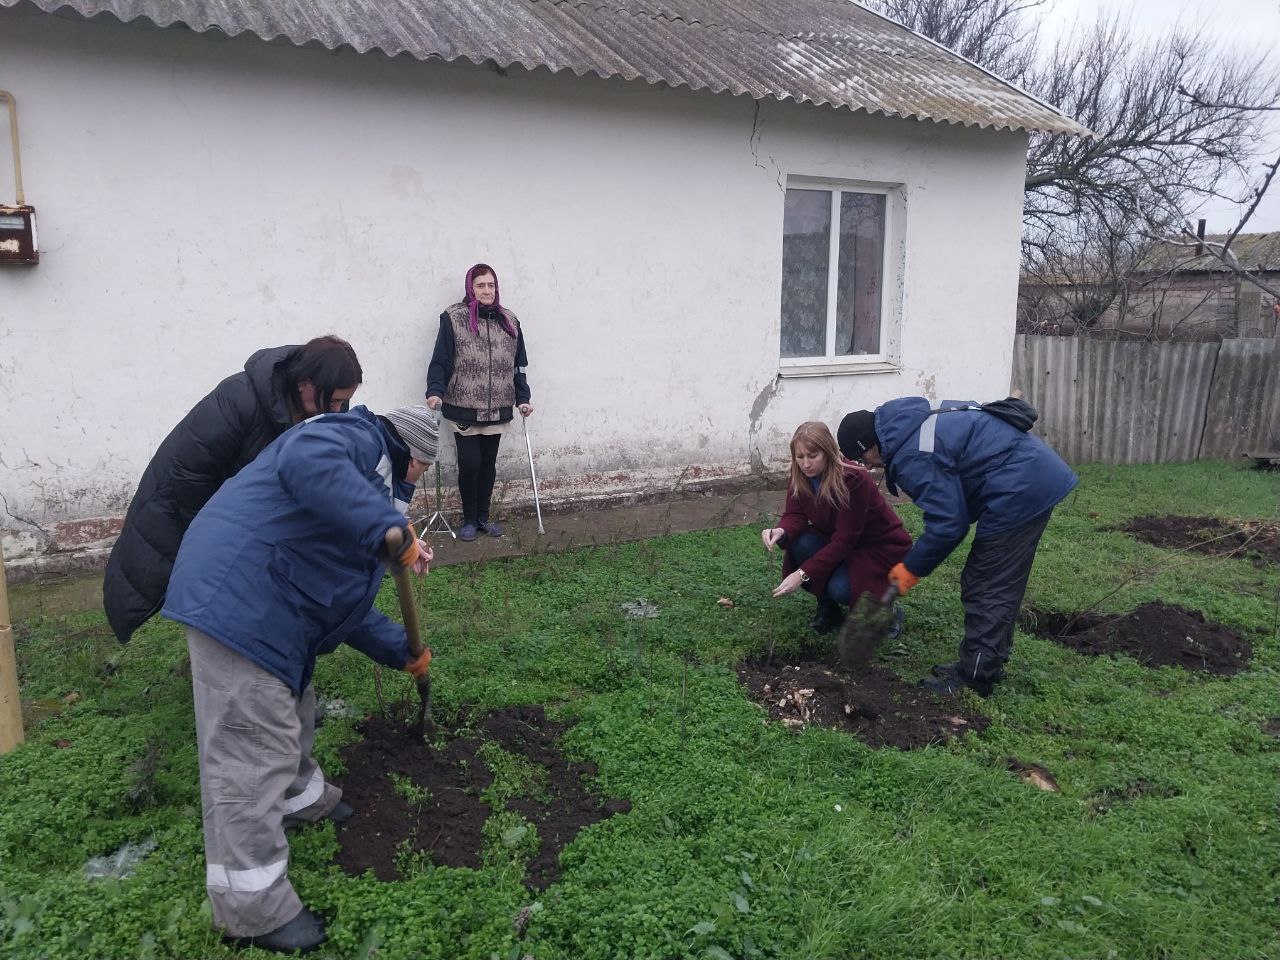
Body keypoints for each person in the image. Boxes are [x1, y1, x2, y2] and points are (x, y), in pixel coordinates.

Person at [162, 402, 439, 954]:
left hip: (273, 604)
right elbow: (309, 459)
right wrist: (389, 525)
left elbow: (345, 601)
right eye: (422, 473)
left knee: (291, 707)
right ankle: (253, 909)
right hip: (241, 603)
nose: (417, 485)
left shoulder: (359, 485)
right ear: (411, 457)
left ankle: (301, 798)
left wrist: (401, 651)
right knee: (251, 750)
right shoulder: (351, 441)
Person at [103, 336, 364, 644]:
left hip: (245, 521)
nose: (338, 410)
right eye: (333, 400)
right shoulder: (239, 398)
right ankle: (219, 660)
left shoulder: (320, 413)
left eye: (342, 402)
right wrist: (211, 539)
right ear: (306, 382)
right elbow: (188, 472)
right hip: (188, 511)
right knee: (213, 588)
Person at [837, 398, 1077, 697]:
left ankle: (975, 676)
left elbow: (949, 526)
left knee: (987, 583)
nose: (868, 466)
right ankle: (987, 660)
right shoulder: (910, 427)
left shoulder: (913, 454)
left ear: (871, 445)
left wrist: (908, 571)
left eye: (863, 458)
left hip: (1020, 486)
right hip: (1025, 475)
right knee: (994, 581)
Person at [763, 422, 912, 635]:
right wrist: (781, 531)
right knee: (800, 542)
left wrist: (802, 574)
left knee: (840, 589)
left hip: (878, 548)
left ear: (828, 452)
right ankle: (829, 609)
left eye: (813, 456)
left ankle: (886, 609)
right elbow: (795, 514)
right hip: (841, 541)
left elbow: (845, 540)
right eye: (800, 457)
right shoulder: (800, 475)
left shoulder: (853, 479)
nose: (806, 464)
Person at [425, 263, 533, 541]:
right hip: (464, 404)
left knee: (488, 464)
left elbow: (518, 366)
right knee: (470, 463)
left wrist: (523, 398)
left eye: (491, 285)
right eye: (481, 285)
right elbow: (441, 359)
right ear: (470, 288)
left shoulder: (509, 321)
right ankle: (470, 519)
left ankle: (484, 517)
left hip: (498, 405)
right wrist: (434, 390)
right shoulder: (454, 318)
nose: (487, 290)